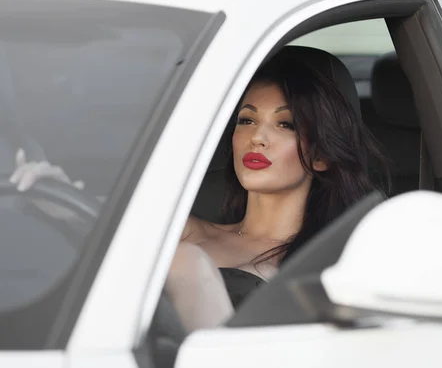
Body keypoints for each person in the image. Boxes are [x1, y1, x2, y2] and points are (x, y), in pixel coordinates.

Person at [9, 50, 390, 331]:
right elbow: (97, 234)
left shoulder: (336, 266)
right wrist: (56, 202)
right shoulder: (184, 228)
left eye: (286, 125)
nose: (258, 137)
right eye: (247, 119)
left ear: (322, 155)